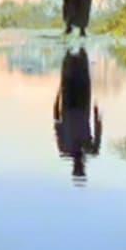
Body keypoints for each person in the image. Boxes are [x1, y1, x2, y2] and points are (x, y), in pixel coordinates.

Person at [53, 48, 103, 178]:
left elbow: (57, 123)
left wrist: (56, 101)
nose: (79, 165)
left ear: (74, 168)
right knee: (80, 65)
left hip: (71, 103)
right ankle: (78, 49)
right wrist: (97, 113)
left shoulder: (65, 149)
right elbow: (98, 130)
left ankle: (73, 49)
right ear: (84, 168)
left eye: (77, 169)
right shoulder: (91, 150)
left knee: (72, 62)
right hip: (81, 104)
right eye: (81, 169)